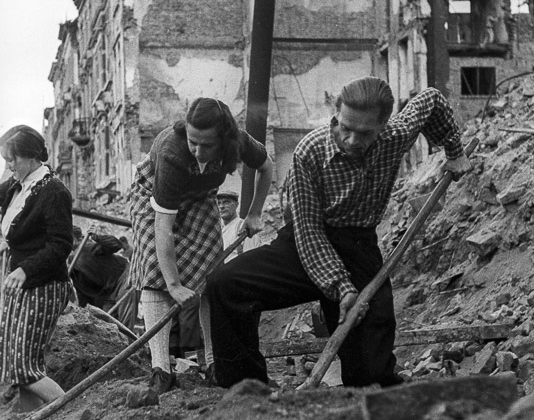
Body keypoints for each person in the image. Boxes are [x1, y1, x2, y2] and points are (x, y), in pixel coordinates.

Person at [206, 78, 472, 389]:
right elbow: (308, 232)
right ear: (336, 114)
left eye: (364, 133)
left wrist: (454, 151)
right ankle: (247, 389)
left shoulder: (396, 135)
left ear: (383, 125)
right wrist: (342, 288)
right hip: (303, 244)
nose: (351, 139)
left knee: (371, 373)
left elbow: (432, 100)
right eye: (345, 127)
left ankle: (372, 404)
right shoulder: (310, 152)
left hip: (358, 248)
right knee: (225, 285)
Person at [129, 97, 273, 393]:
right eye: (193, 142)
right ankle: (161, 369)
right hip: (153, 199)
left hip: (200, 196)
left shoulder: (241, 143)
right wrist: (173, 285)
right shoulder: (172, 152)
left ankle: (213, 362)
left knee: (211, 274)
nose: (198, 151)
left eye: (207, 145)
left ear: (225, 139)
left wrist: (255, 212)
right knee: (155, 272)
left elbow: (266, 166)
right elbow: (163, 227)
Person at [0, 126, 73, 411]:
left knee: (24, 366)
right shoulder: (16, 188)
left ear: (31, 157)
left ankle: (67, 410)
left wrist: (25, 270)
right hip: (19, 285)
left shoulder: (53, 191)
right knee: (18, 365)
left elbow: (60, 245)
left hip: (44, 286)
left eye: (12, 160)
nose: (8, 166)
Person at [70, 228, 137, 332]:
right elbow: (84, 295)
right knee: (106, 325)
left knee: (125, 321)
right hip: (107, 290)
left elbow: (116, 244)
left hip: (123, 277)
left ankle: (130, 345)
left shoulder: (86, 248)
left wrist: (98, 238)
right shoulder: (71, 270)